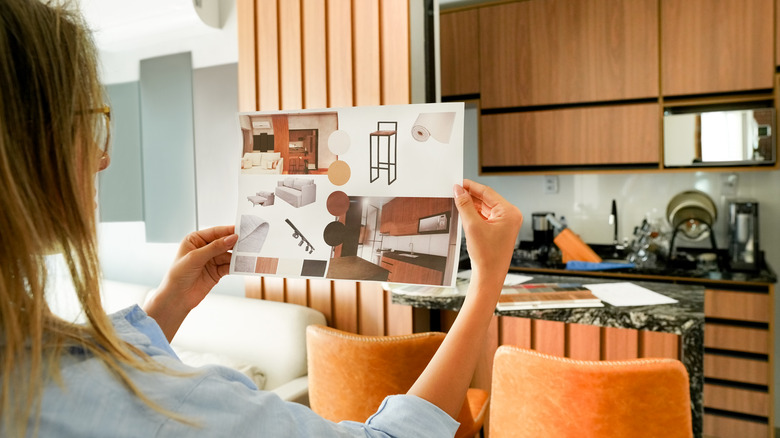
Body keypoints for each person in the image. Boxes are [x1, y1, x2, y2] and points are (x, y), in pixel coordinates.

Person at [0, 1, 523, 437]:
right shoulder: (169, 406)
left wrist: (167, 305)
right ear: (24, 145)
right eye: (87, 121)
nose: (102, 158)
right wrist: (487, 282)